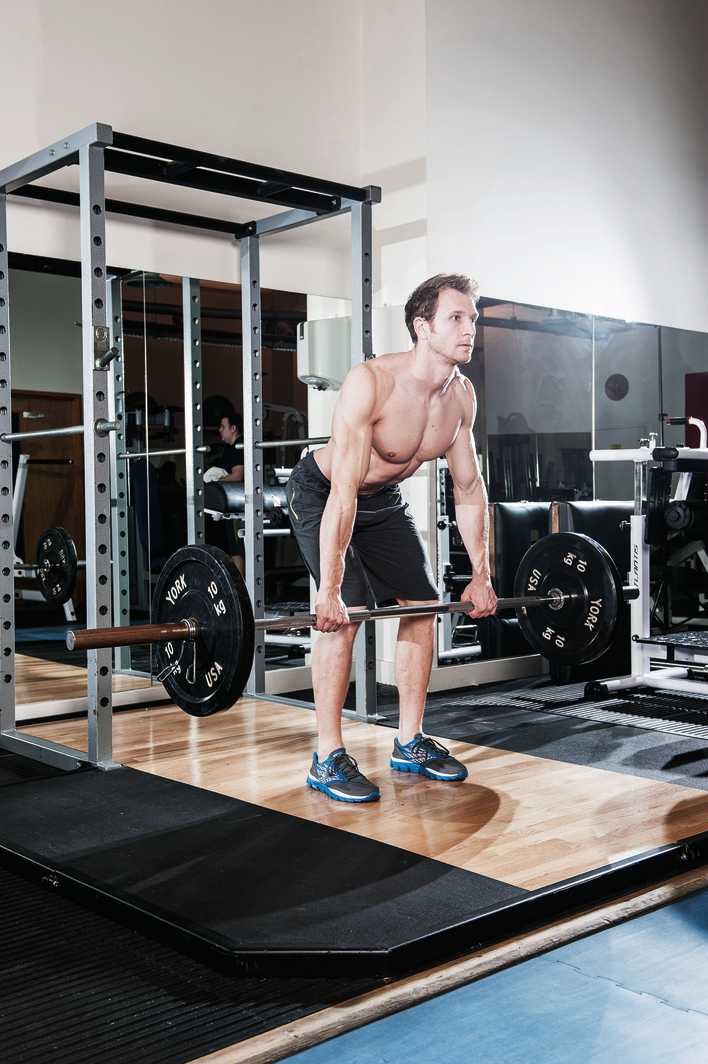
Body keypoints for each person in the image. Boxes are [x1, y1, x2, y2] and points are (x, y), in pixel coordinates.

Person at [285, 273, 498, 803]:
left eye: (472, 317)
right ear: (422, 326)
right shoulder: (372, 382)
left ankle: (408, 740)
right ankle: (327, 753)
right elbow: (343, 493)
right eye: (456, 317)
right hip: (324, 492)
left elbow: (469, 489)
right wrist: (329, 590)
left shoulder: (462, 397)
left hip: (382, 503)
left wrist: (481, 576)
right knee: (350, 609)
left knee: (423, 603)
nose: (469, 327)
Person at [205, 412, 246, 576]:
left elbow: (238, 475)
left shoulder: (238, 446)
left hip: (239, 505)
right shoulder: (230, 449)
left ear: (233, 428)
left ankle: (241, 592)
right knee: (233, 547)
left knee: (237, 548)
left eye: (223, 427)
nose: (220, 430)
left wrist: (216, 480)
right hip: (232, 505)